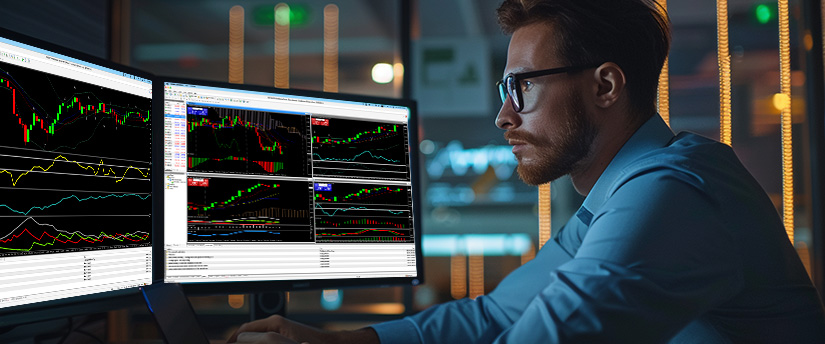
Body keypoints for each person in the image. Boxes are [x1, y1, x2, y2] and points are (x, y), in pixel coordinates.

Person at [228, 0, 825, 342]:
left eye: (522, 87)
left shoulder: (676, 191)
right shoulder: (610, 205)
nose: (502, 115)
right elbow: (495, 315)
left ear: (606, 85)